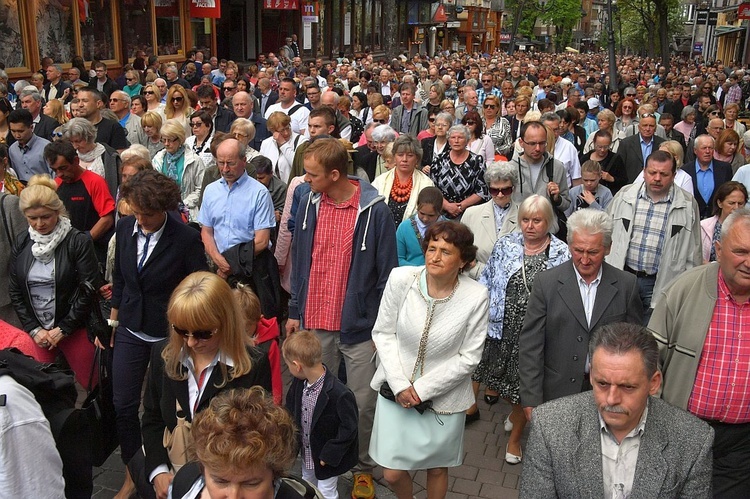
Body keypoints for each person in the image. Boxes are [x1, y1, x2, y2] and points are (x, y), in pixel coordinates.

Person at [287, 138, 398, 499]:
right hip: (315, 319)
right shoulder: (306, 200)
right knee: (315, 399)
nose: (305, 179)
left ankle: (363, 467)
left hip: (359, 326)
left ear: (335, 174)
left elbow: (387, 273)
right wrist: (294, 310)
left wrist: (382, 325)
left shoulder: (374, 211)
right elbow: (300, 259)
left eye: (312, 174)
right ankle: (318, 463)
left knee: (362, 401)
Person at [520, 322, 713, 498]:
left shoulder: (694, 440)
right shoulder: (549, 426)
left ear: (653, 383)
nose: (612, 399)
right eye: (602, 383)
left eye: (627, 387)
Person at [107, 170, 208, 498]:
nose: (141, 220)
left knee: (164, 409)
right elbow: (120, 278)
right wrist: (113, 322)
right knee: (122, 403)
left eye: (148, 214)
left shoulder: (185, 238)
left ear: (164, 209)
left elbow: (199, 287)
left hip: (171, 334)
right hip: (131, 328)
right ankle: (132, 470)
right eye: (135, 212)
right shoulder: (124, 228)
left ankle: (166, 467)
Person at [370, 221, 489, 499]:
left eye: (446, 252)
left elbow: (469, 357)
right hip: (395, 391)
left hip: (444, 398)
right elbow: (383, 333)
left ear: (463, 261)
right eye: (432, 248)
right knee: (392, 473)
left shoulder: (476, 296)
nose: (435, 256)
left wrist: (422, 390)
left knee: (436, 468)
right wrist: (401, 386)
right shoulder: (401, 279)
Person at [137, 272, 272, 499]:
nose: (190, 342)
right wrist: (158, 471)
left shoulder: (253, 364)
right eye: (181, 330)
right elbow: (152, 418)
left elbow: (258, 437)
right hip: (172, 476)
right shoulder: (162, 354)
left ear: (226, 322)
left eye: (203, 333)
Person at [650, 207, 750, 497]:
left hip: (742, 443)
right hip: (683, 430)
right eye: (740, 251)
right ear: (718, 249)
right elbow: (649, 362)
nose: (748, 262)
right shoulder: (684, 290)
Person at [469, 195, 570, 463]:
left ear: (548, 222)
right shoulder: (506, 244)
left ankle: (515, 440)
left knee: (523, 387)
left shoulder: (561, 252)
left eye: (537, 220)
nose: (530, 226)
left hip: (536, 334)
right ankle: (515, 415)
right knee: (502, 382)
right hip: (502, 328)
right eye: (525, 220)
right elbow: (488, 280)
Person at [519, 209, 642, 415]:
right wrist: (530, 398)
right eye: (578, 251)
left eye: (593, 252)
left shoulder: (626, 286)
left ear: (608, 248)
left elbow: (635, 347)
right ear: (569, 245)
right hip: (556, 393)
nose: (584, 259)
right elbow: (531, 344)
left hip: (608, 396)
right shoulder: (546, 283)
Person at [8, 174, 101, 384]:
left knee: (94, 385)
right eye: (32, 218)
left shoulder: (77, 241)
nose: (39, 223)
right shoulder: (23, 241)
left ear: (57, 212)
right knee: (40, 388)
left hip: (73, 327)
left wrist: (64, 328)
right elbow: (15, 290)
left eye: (45, 217)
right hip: (38, 329)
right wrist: (33, 328)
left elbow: (89, 288)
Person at [169, 387, 323, 499]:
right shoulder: (184, 484)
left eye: (251, 484)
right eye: (220, 481)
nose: (234, 496)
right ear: (203, 470)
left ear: (275, 475)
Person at [605, 150, 701, 324]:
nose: (657, 178)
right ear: (644, 172)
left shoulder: (687, 204)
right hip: (624, 277)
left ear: (673, 175)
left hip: (661, 282)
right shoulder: (624, 196)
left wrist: (689, 288)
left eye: (663, 174)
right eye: (652, 172)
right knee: (618, 333)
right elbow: (605, 233)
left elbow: (694, 251)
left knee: (651, 339)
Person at [284, 330, 359, 499]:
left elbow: (350, 427)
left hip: (326, 458)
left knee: (326, 492)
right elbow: (289, 409)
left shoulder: (340, 393)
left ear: (297, 366)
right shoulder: (299, 383)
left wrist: (331, 453)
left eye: (288, 365)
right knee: (307, 485)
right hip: (307, 452)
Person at [45, 139, 115, 265]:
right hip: (65, 251)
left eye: (63, 168)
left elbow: (107, 218)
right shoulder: (56, 184)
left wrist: (85, 240)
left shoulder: (94, 182)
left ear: (76, 161)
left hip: (92, 251)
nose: (59, 174)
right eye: (55, 170)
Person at [461, 161, 520, 279]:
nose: (500, 195)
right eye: (494, 190)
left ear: (513, 188)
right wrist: (474, 268)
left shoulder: (525, 216)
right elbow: (460, 249)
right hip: (476, 281)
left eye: (506, 190)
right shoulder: (471, 214)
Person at [232, 284, 283, 405]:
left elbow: (275, 383)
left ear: (259, 319)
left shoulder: (268, 345)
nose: (241, 334)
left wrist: (275, 408)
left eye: (246, 329)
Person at [372, 134, 435, 226]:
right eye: (400, 155)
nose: (404, 159)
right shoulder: (380, 181)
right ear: (394, 157)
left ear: (417, 158)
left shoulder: (426, 184)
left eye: (410, 155)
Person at [152, 119, 207, 222]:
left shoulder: (194, 160)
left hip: (188, 212)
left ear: (180, 139)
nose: (167, 144)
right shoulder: (157, 159)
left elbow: (201, 189)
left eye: (170, 140)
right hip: (162, 211)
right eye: (163, 140)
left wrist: (183, 204)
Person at [429, 125, 488, 219]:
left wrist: (461, 206)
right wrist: (447, 206)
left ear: (467, 140)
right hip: (441, 211)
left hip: (469, 213)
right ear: (448, 140)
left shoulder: (477, 161)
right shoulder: (439, 159)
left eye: (460, 137)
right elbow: (432, 187)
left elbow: (482, 191)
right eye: (453, 137)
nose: (456, 141)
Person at [512, 121, 571, 214]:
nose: (538, 148)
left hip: (548, 226)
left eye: (542, 143)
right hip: (519, 226)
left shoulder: (557, 167)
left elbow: (566, 204)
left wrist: (557, 198)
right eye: (532, 144)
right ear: (521, 142)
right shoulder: (511, 168)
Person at [63, 117, 120, 199]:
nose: (75, 146)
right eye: (71, 142)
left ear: (89, 137)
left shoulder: (110, 157)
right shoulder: (69, 157)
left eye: (78, 141)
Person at [685, 134, 733, 219]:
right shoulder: (686, 170)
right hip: (693, 219)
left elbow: (728, 194)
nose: (707, 151)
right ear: (695, 150)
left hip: (717, 218)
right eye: (704, 148)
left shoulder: (725, 168)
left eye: (710, 148)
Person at [700, 181, 747, 263]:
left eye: (740, 204)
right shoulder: (703, 226)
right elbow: (697, 257)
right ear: (720, 203)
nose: (736, 207)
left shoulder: (747, 227)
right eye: (731, 203)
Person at [395, 186, 444, 266]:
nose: (425, 219)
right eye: (422, 213)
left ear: (440, 211)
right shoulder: (404, 227)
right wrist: (419, 270)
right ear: (417, 206)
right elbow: (398, 258)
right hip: (410, 274)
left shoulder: (450, 229)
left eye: (431, 215)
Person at [8, 109, 52, 182]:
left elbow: (54, 175)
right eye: (13, 131)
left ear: (31, 127)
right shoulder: (12, 149)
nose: (17, 135)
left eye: (21, 131)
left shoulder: (46, 147)